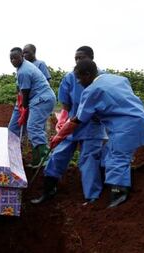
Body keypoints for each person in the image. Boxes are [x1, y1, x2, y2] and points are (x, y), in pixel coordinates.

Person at [50, 59, 144, 208]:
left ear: (87, 75)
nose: (79, 83)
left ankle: (118, 194)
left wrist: (59, 136)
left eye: (80, 78)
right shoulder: (117, 79)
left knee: (117, 157)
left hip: (125, 127)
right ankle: (114, 183)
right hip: (140, 119)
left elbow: (78, 120)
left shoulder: (91, 90)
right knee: (107, 153)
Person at [31, 46, 107, 205]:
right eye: (76, 58)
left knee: (89, 160)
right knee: (58, 155)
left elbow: (106, 103)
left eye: (82, 58)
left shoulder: (102, 78)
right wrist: (61, 122)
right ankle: (49, 190)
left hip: (93, 125)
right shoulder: (70, 77)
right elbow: (66, 105)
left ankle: (92, 198)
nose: (78, 61)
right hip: (72, 124)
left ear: (91, 59)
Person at [8, 47, 56, 168]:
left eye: (16, 58)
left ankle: (45, 158)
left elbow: (26, 92)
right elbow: (20, 91)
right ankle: (14, 158)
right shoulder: (21, 68)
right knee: (13, 128)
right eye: (11, 58)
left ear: (22, 57)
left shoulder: (25, 70)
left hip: (41, 99)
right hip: (29, 99)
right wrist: (21, 107)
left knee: (33, 127)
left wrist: (24, 108)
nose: (13, 60)